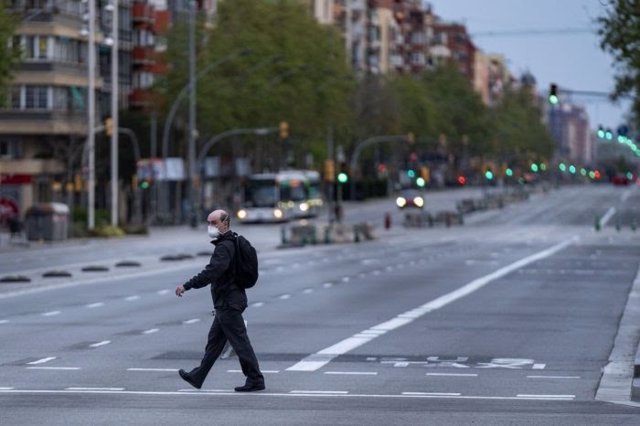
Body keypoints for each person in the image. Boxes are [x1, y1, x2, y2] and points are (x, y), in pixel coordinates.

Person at [175, 209, 265, 392]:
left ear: (226, 222)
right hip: (227, 302)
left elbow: (212, 271)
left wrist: (187, 285)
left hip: (229, 303)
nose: (210, 226)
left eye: (214, 222)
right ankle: (197, 376)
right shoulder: (229, 242)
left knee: (240, 343)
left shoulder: (225, 247)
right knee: (214, 343)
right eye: (208, 222)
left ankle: (255, 379)